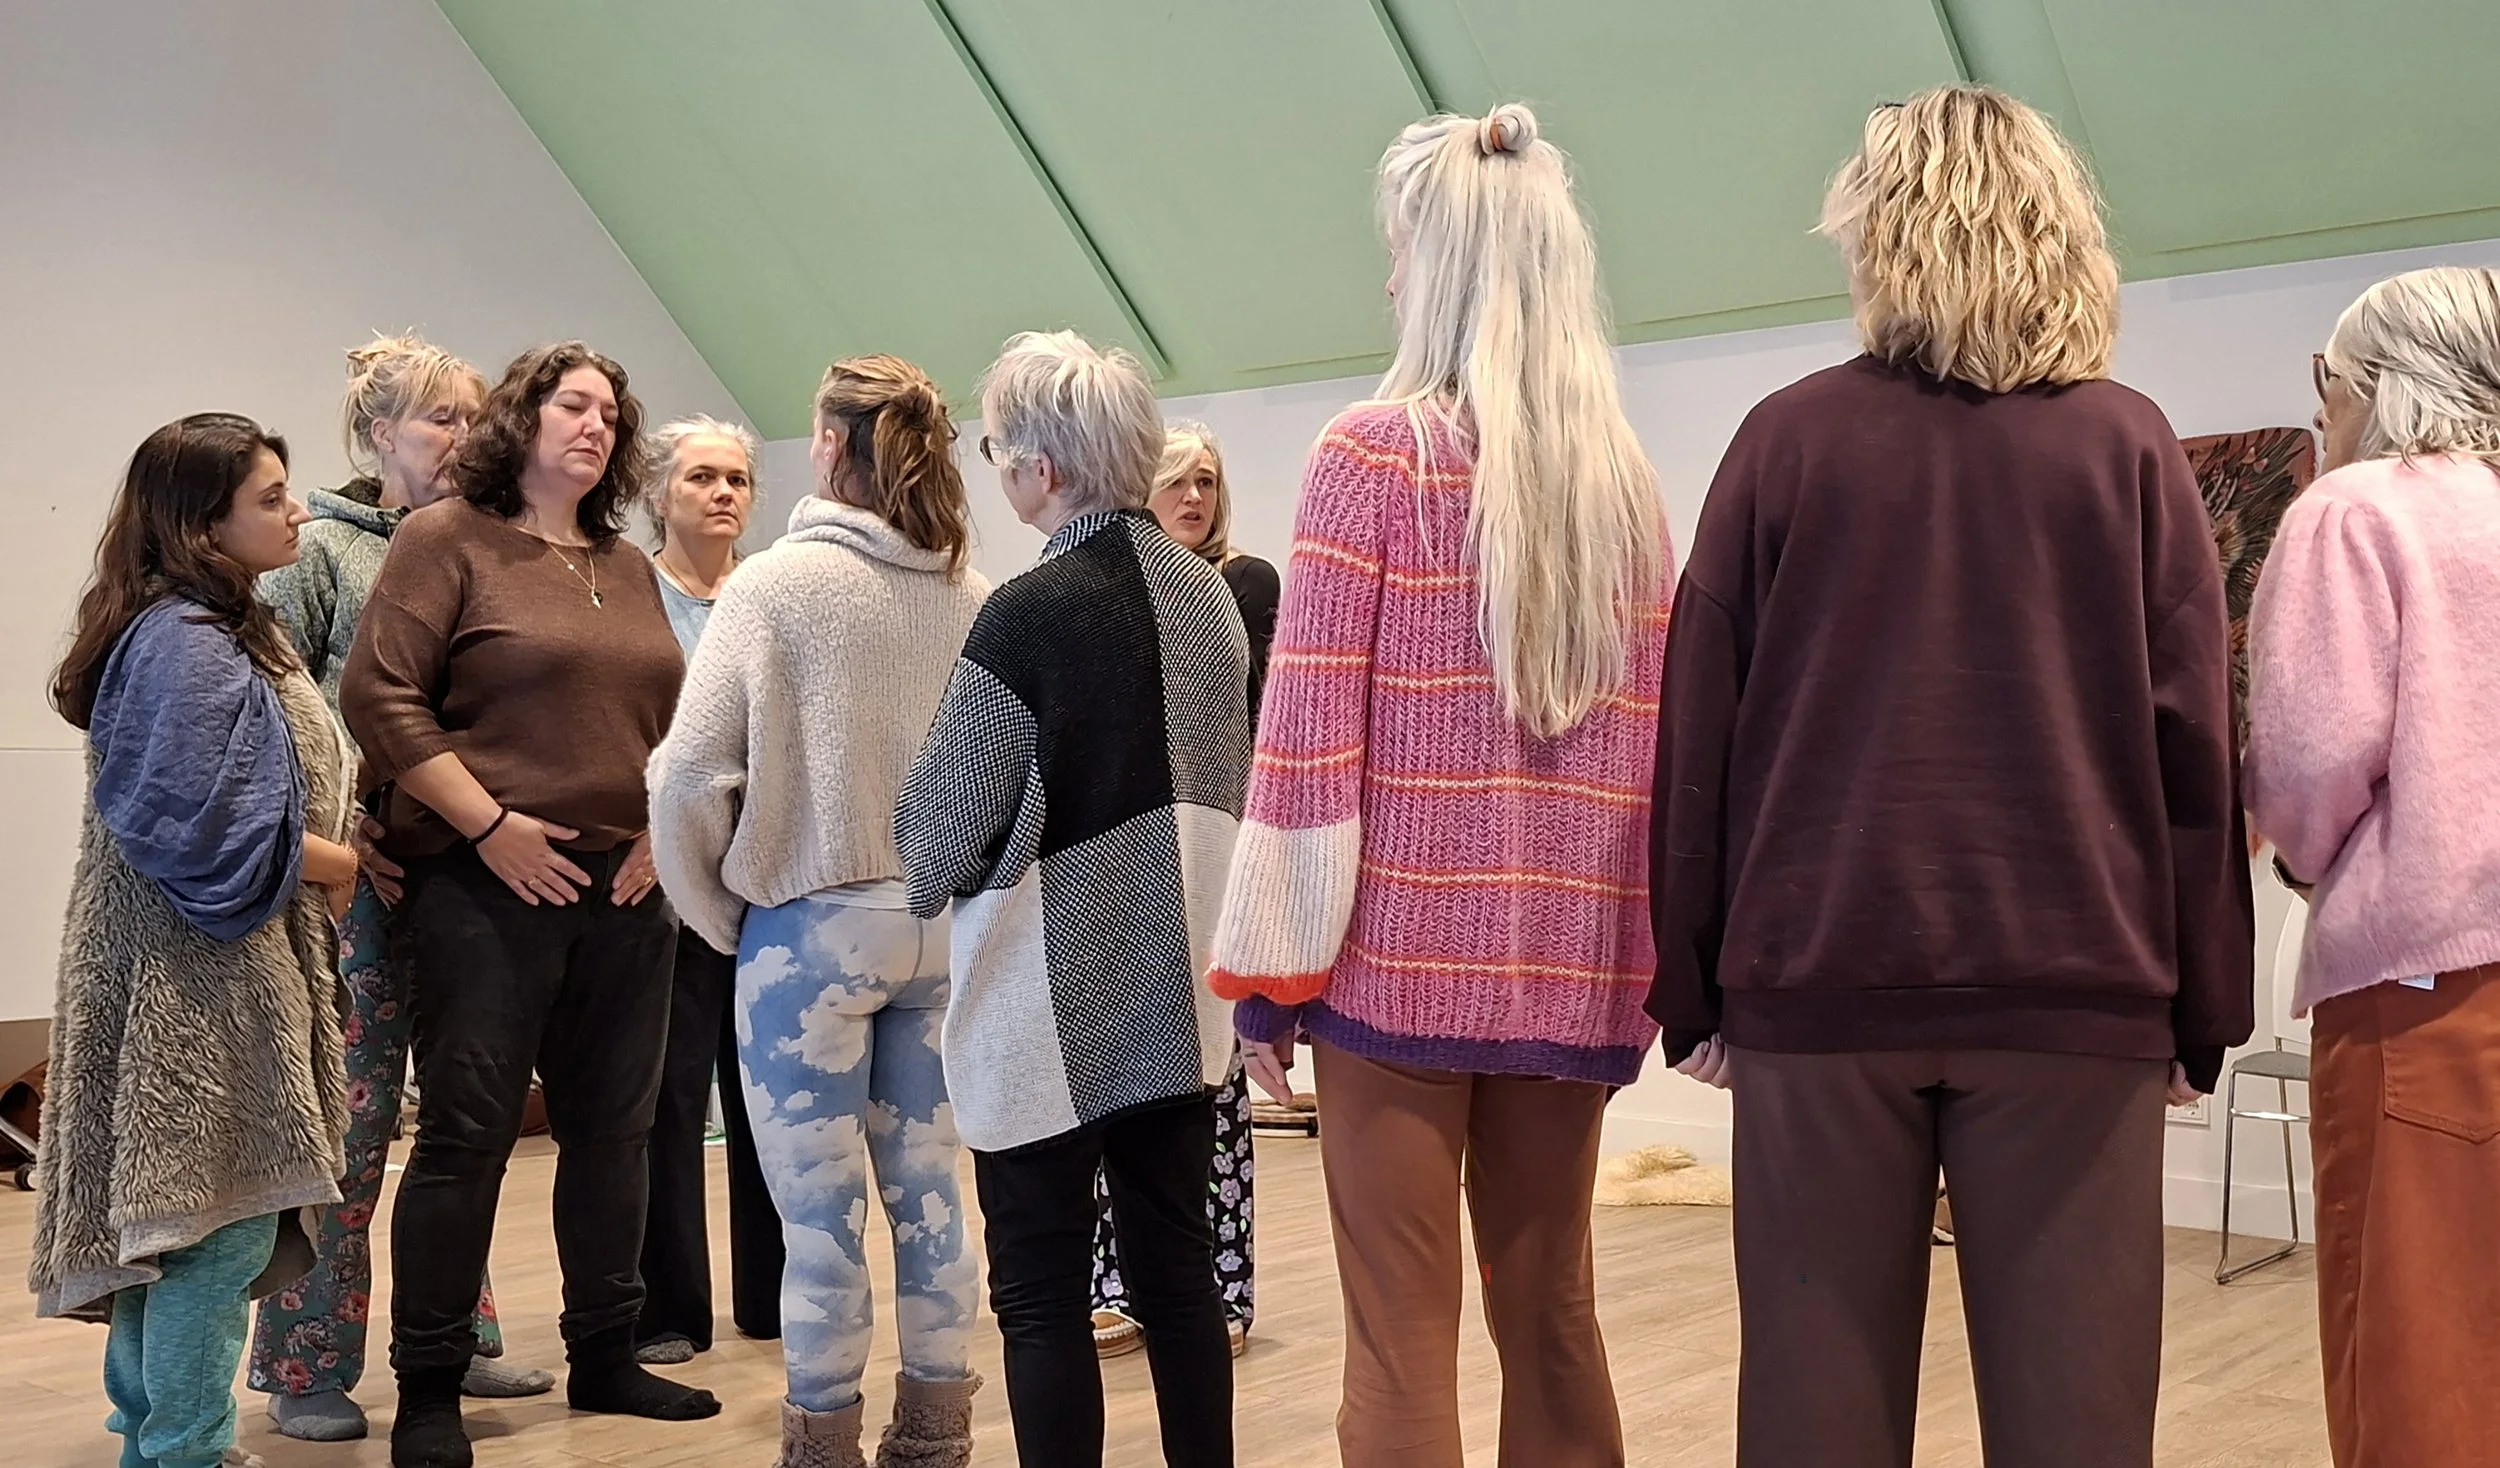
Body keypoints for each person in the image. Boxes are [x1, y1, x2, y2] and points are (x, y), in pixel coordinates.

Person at [1646, 86, 2253, 1468]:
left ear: (1875, 234)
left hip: (1817, 989)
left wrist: (1691, 987)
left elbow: (1703, 744)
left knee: (1811, 1424)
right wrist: (2201, 1006)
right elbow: (2194, 753)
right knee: (2080, 1428)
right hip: (2076, 996)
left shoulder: (1782, 442)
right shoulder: (2128, 447)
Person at [1206, 104, 1670, 1468]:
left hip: (1392, 973)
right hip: (1569, 974)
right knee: (1557, 1319)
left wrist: (1274, 980)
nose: (1390, 278)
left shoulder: (1371, 456)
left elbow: (1302, 744)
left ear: (1445, 262)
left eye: (1401, 249)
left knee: (1401, 1345)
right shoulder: (1626, 490)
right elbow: (1651, 756)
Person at [340, 342, 718, 1468]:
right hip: (482, 885)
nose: (595, 426)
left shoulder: (630, 564)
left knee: (618, 1132)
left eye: (610, 410)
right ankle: (430, 1385)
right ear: (523, 419)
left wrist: (665, 827)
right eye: (572, 405)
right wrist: (488, 827)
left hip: (624, 887)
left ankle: (606, 1352)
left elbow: (678, 727)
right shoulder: (444, 539)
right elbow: (380, 695)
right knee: (466, 1138)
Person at [897, 330, 1248, 1468]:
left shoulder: (1028, 613)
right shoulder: (1215, 603)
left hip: (1045, 997)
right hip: (1183, 987)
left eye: (999, 447)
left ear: (1041, 467)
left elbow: (935, 837)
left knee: (1043, 1297)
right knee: (1180, 1277)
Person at [650, 354, 990, 1468]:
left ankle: (822, 1448)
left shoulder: (771, 586)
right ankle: (937, 1441)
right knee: (936, 1202)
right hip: (940, 928)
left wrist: (721, 914)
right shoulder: (967, 591)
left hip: (809, 932)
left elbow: (688, 777)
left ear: (831, 447)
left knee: (822, 1225)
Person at [33, 413, 356, 1468]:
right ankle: (184, 1451)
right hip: (193, 976)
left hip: (208, 966)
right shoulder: (183, 640)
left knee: (180, 1230)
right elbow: (196, 824)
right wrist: (339, 865)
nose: (297, 507)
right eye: (270, 495)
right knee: (216, 1235)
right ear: (200, 523)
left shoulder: (214, 624)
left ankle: (161, 1436)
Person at [249, 335, 553, 1443]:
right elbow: (280, 715)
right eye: (440, 419)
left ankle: (452, 1337)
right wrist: (344, 838)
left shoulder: (495, 544)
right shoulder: (321, 550)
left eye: (476, 417)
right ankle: (305, 1362)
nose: (466, 437)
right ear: (379, 435)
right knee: (351, 1124)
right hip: (359, 888)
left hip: (468, 877)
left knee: (467, 1119)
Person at [2246, 265, 2500, 1468]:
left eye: (2323, 381)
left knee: (2420, 1358)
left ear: (2374, 386)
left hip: (2428, 992)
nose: (2320, 409)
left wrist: (2303, 862)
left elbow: (2308, 769)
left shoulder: (2357, 512)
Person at [1093, 421, 1277, 1361]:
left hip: (1214, 856)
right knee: (1112, 1083)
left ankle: (1223, 1284)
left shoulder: (1240, 586)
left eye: (1208, 479)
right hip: (1122, 861)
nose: (1195, 497)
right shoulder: (1102, 590)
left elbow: (1250, 736)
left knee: (1213, 1085)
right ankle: (1117, 1279)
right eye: (1177, 480)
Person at [632, 413, 785, 1367]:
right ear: (660, 493)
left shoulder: (767, 597)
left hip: (762, 882)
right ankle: (667, 1311)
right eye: (700, 478)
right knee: (670, 1101)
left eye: (735, 478)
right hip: (661, 886)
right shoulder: (629, 596)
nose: (722, 493)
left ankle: (769, 1300)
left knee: (768, 1098)